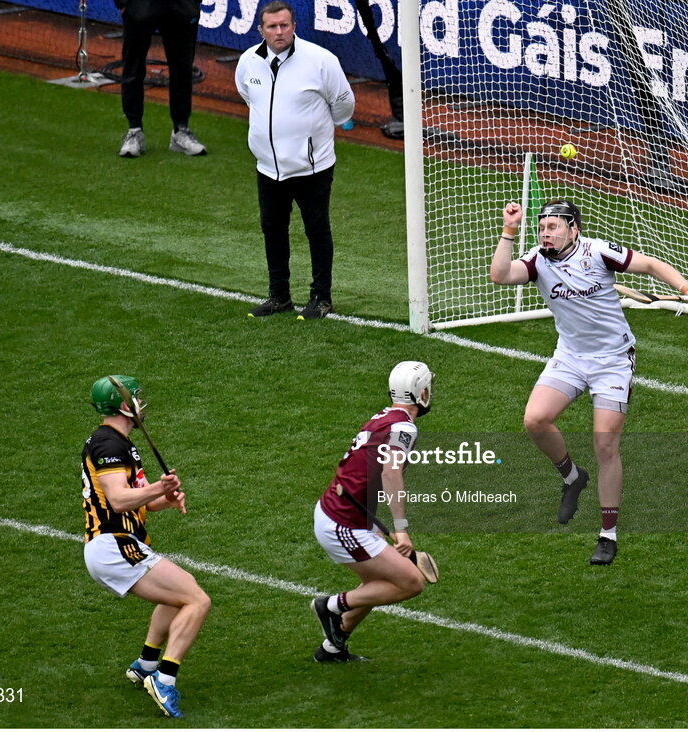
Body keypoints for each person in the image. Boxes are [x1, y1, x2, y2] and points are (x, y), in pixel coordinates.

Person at [489, 201, 688, 565]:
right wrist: (509, 230)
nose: (546, 232)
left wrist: (686, 286)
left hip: (612, 361)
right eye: (543, 226)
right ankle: (573, 477)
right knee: (534, 420)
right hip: (570, 357)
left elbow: (651, 264)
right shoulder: (536, 261)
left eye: (554, 226)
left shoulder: (599, 252)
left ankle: (608, 535)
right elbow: (499, 275)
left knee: (605, 445)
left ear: (573, 229)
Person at [81, 375, 210, 718]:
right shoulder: (108, 445)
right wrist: (158, 488)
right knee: (197, 600)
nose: (141, 402)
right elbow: (120, 500)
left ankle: (146, 664)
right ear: (123, 404)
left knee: (181, 593)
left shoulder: (120, 443)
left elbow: (142, 503)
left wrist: (163, 497)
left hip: (119, 544)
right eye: (136, 397)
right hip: (113, 545)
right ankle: (164, 680)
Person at [234, 1, 355, 320]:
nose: (279, 32)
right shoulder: (248, 62)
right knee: (272, 227)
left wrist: (312, 137)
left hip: (312, 167)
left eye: (284, 25)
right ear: (261, 30)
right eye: (272, 27)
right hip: (268, 167)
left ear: (294, 26)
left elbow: (343, 106)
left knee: (316, 229)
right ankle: (279, 295)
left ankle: (321, 297)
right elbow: (247, 96)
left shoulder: (321, 61)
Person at [310, 361, 433, 661]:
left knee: (378, 584)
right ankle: (330, 606)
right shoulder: (404, 427)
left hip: (350, 511)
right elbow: (391, 473)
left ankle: (332, 647)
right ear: (422, 392)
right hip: (343, 522)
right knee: (411, 582)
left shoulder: (387, 417)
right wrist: (400, 529)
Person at [114, 0, 207, 158]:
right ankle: (134, 130)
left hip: (182, 6)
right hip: (139, 6)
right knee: (133, 68)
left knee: (183, 69)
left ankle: (181, 130)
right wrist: (123, 2)